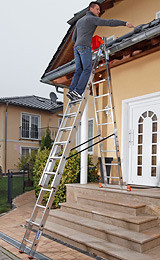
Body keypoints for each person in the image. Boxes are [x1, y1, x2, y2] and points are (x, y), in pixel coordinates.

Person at [67, 1, 134, 101]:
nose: (99, 11)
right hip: (85, 46)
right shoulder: (92, 19)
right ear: (91, 8)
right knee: (87, 69)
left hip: (76, 48)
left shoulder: (79, 21)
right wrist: (124, 23)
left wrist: (80, 41)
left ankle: (71, 91)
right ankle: (78, 91)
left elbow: (73, 39)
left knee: (79, 70)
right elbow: (109, 22)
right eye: (97, 9)